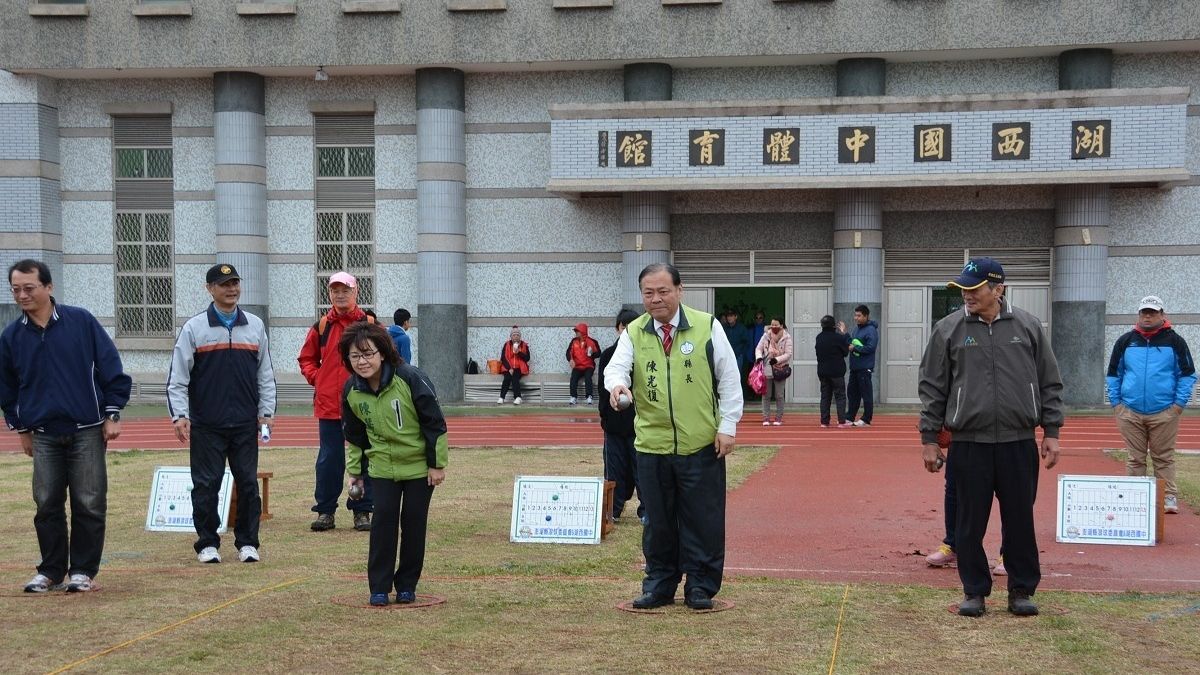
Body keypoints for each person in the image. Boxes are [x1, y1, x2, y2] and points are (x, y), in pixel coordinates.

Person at [918, 257, 1064, 617]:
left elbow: (1049, 380)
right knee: (968, 522)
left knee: (1019, 520)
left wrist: (1052, 431)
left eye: (974, 288)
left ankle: (1021, 590)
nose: (967, 295)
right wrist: (929, 438)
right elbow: (932, 387)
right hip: (969, 443)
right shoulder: (948, 329)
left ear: (998, 289)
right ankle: (975, 591)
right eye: (964, 289)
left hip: (1018, 441)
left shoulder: (1027, 326)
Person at [605, 262, 743, 611]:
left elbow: (729, 379)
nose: (656, 299)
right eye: (648, 293)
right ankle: (660, 583)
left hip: (700, 445)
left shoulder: (706, 326)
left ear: (680, 291)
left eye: (663, 291)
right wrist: (617, 385)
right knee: (657, 522)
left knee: (703, 519)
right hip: (652, 447)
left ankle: (700, 585)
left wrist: (727, 426)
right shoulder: (634, 332)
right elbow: (616, 368)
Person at [1, 259, 131, 593]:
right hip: (42, 433)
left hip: (86, 428)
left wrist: (112, 412)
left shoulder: (81, 322)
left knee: (89, 501)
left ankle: (83, 571)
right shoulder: (12, 336)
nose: (21, 295)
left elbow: (110, 366)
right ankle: (50, 570)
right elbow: (7, 386)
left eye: (28, 288)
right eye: (15, 289)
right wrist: (21, 428)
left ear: (48, 287)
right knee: (46, 503)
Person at [168, 263, 276, 564]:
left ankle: (247, 543)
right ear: (210, 289)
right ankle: (206, 543)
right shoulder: (194, 328)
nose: (231, 289)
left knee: (248, 485)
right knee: (206, 485)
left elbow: (264, 373)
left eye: (235, 283)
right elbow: (178, 378)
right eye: (224, 283)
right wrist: (180, 415)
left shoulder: (254, 326)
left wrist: (266, 412)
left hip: (244, 423)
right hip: (206, 424)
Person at [340, 322, 448, 606]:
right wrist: (355, 473)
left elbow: (434, 423)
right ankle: (379, 586)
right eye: (355, 356)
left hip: (418, 468)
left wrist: (437, 465)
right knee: (383, 523)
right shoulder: (352, 390)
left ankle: (406, 585)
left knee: (413, 523)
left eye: (367, 354)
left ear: (383, 353)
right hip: (382, 468)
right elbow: (354, 435)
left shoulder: (410, 378)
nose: (362, 362)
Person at [298, 271, 374, 532]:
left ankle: (362, 511)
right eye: (335, 290)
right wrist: (318, 379)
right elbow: (306, 359)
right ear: (329, 294)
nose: (340, 294)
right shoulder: (321, 326)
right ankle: (325, 511)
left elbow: (386, 357)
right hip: (329, 405)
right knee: (329, 460)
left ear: (356, 292)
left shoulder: (370, 324)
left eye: (345, 289)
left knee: (364, 457)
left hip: (364, 406)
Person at [1106, 294, 1196, 515]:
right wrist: (1117, 403)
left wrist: (1178, 405)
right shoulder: (1125, 341)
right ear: (1139, 315)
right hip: (1130, 411)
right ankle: (1134, 497)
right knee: (1135, 458)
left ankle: (1168, 497)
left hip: (1164, 411)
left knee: (1163, 457)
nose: (1147, 316)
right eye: (1144, 312)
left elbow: (1187, 374)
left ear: (1162, 315)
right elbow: (1113, 374)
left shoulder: (1175, 341)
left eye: (1153, 312)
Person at [597, 309, 643, 524]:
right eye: (623, 327)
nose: (626, 331)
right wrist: (604, 416)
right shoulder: (607, 354)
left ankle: (647, 511)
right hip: (614, 426)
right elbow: (601, 390)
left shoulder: (644, 354)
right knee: (613, 470)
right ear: (618, 328)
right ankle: (612, 511)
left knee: (642, 469)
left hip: (638, 426)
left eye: (631, 327)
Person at [841, 305, 878, 427]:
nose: (856, 318)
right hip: (855, 367)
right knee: (852, 393)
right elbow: (851, 343)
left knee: (866, 393)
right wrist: (845, 334)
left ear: (866, 316)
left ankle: (866, 419)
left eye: (859, 315)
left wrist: (855, 348)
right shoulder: (856, 329)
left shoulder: (871, 330)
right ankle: (849, 417)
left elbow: (871, 348)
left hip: (864, 367)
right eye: (855, 315)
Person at [754, 316, 793, 426]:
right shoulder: (766, 336)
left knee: (779, 395)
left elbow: (788, 354)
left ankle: (778, 417)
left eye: (776, 325)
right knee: (766, 394)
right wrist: (758, 357)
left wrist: (777, 359)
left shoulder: (787, 337)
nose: (774, 327)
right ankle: (766, 417)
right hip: (767, 367)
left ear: (781, 325)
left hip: (780, 368)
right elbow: (758, 348)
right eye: (772, 324)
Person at [814, 315, 851, 429]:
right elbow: (845, 352)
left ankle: (824, 422)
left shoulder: (819, 337)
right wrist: (845, 334)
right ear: (834, 326)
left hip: (823, 372)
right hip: (836, 372)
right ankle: (841, 421)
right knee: (840, 396)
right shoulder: (838, 338)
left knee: (825, 397)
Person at [566, 322, 601, 406]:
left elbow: (599, 353)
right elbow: (568, 352)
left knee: (588, 378)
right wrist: (570, 359)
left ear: (582, 331)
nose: (576, 333)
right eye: (575, 331)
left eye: (577, 331)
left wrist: (592, 353)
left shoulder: (592, 342)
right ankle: (573, 397)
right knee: (573, 378)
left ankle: (589, 397)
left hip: (588, 366)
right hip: (577, 366)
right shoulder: (573, 341)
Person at [498, 326, 531, 405]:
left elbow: (527, 358)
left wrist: (518, 352)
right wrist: (509, 368)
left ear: (520, 336)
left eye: (517, 335)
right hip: (508, 367)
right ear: (511, 336)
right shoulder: (507, 344)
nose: (516, 336)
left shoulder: (524, 345)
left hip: (519, 368)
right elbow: (503, 357)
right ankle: (502, 397)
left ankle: (518, 397)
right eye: (514, 335)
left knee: (515, 378)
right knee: (507, 378)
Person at [721, 307, 751, 381]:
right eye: (728, 316)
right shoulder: (723, 328)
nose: (729, 318)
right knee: (726, 377)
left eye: (731, 316)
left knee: (737, 377)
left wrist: (740, 352)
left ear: (735, 317)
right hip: (726, 357)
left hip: (737, 357)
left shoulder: (741, 328)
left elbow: (747, 342)